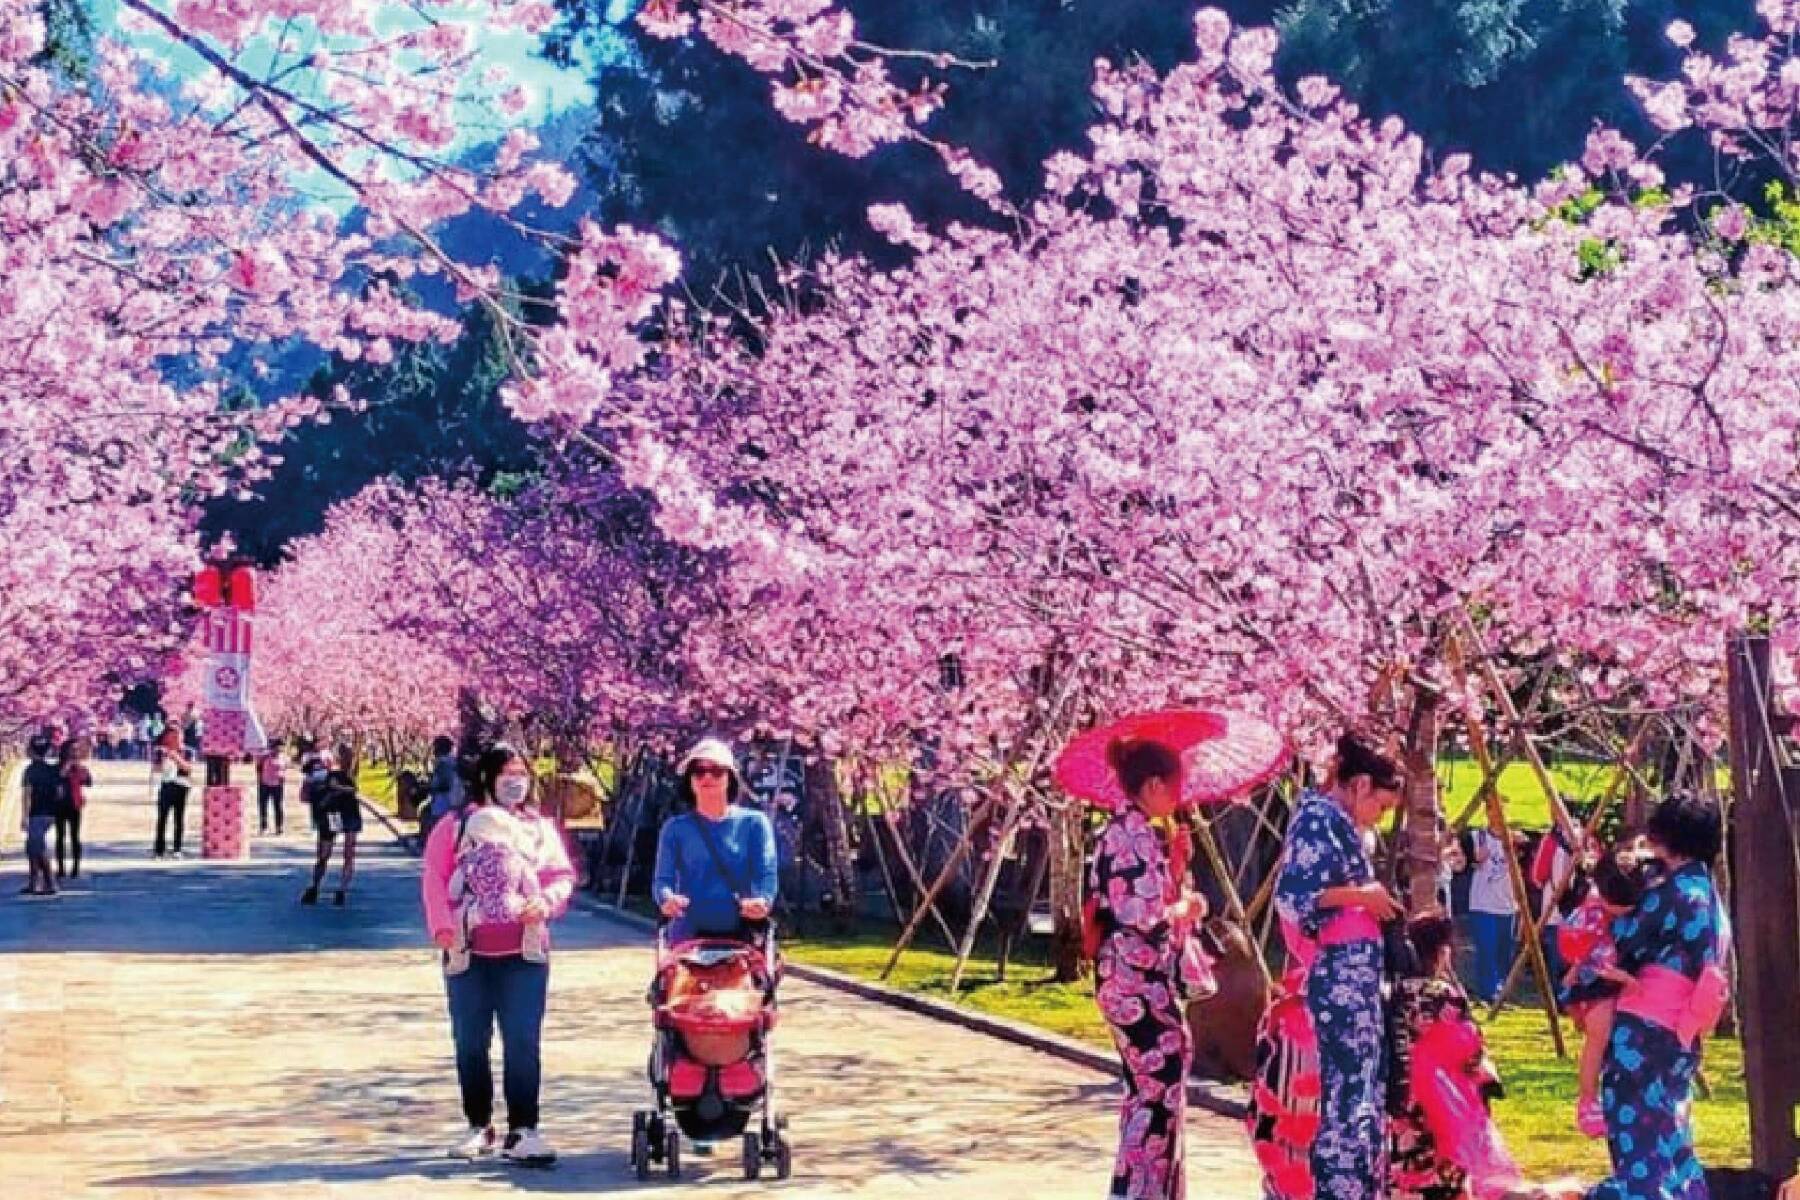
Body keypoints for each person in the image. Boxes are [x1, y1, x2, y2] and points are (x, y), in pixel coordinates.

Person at [422, 743, 574, 1166]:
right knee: (471, 1042)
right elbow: (435, 878)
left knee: (522, 1041)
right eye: (506, 772)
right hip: (467, 953)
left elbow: (560, 876)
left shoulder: (539, 829)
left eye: (521, 773)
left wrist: (545, 902)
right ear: (487, 777)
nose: (515, 781)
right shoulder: (454, 827)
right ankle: (479, 1125)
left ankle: (524, 1129)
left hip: (524, 953)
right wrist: (444, 928)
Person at [1272, 733, 1405, 1200]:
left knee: (1359, 1087)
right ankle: (1338, 1189)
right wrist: (1360, 896)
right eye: (1381, 806)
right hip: (1339, 975)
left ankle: (1355, 1186)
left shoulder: (1340, 823)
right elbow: (1293, 897)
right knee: (1346, 1090)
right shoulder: (1317, 818)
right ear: (1361, 784)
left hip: (1358, 974)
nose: (1380, 818)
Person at [1085, 737, 1213, 1200]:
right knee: (1157, 1086)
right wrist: (1185, 908)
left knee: (1154, 1085)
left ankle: (1149, 1189)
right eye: (1174, 787)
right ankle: (1141, 1192)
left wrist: (1176, 865)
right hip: (1133, 978)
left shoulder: (1130, 831)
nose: (1178, 797)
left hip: (1132, 978)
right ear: (1154, 784)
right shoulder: (1132, 835)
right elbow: (1141, 913)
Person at [1587, 793, 1730, 1200]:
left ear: (1668, 836)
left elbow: (1624, 939)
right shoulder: (1707, 895)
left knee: (1640, 1144)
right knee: (1671, 1135)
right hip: (1681, 1032)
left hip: (1644, 1034)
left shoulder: (1672, 894)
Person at [1389, 910, 1541, 1200]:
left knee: (1404, 1166)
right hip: (1443, 1100)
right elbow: (1470, 1048)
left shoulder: (1393, 993)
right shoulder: (1444, 994)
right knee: (1446, 1168)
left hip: (1401, 1093)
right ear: (1443, 951)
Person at [1557, 846, 1655, 1139]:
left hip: (1610, 975)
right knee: (1598, 1035)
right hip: (1596, 979)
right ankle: (1587, 1099)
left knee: (1607, 1037)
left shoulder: (1626, 902)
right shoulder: (1591, 912)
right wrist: (1575, 977)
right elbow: (1576, 949)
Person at [652, 737, 779, 945]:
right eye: (699, 771)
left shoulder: (755, 824)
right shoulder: (675, 829)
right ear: (690, 780)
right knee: (672, 978)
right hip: (688, 936)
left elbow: (766, 872)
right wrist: (667, 899)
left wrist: (763, 900)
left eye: (717, 771)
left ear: (730, 778)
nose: (707, 777)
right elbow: (662, 879)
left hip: (742, 934)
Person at [301, 743, 362, 906]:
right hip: (335, 813)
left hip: (348, 812)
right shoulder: (331, 774)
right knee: (325, 854)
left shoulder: (352, 773)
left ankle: (341, 890)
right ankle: (315, 886)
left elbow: (350, 789)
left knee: (348, 853)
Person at [1467, 824, 1521, 1004]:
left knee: (1504, 951)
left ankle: (1502, 991)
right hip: (1483, 904)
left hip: (1507, 904)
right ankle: (1487, 993)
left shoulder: (1514, 838)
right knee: (1486, 949)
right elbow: (1462, 862)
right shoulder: (1477, 837)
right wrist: (1474, 859)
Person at [20, 738, 63, 896]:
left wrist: (24, 816)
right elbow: (59, 792)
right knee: (32, 847)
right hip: (50, 813)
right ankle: (33, 883)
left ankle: (50, 883)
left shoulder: (29, 771)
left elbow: (26, 794)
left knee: (37, 847)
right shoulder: (52, 770)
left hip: (36, 813)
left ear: (31, 751)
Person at [55, 737, 92, 881]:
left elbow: (88, 782)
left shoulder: (80, 768)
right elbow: (58, 777)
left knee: (75, 837)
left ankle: (76, 867)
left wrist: (80, 769)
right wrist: (67, 765)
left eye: (77, 749)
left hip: (75, 805)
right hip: (59, 805)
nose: (75, 752)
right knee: (60, 837)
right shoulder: (58, 766)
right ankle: (61, 868)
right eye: (72, 749)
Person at [152, 741, 193, 859]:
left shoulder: (187, 751)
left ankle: (177, 849)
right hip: (166, 786)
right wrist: (160, 758)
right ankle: (159, 850)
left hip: (181, 786)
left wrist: (176, 757)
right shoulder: (161, 751)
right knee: (162, 819)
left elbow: (188, 769)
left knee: (179, 819)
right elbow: (156, 770)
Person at [256, 738, 286, 836]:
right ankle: (264, 827)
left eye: (280, 747)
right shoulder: (264, 756)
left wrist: (282, 778)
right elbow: (258, 768)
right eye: (277, 747)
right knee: (263, 806)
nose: (279, 749)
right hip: (265, 783)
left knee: (278, 806)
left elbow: (284, 768)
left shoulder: (283, 757)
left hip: (278, 784)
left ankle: (279, 827)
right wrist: (260, 780)